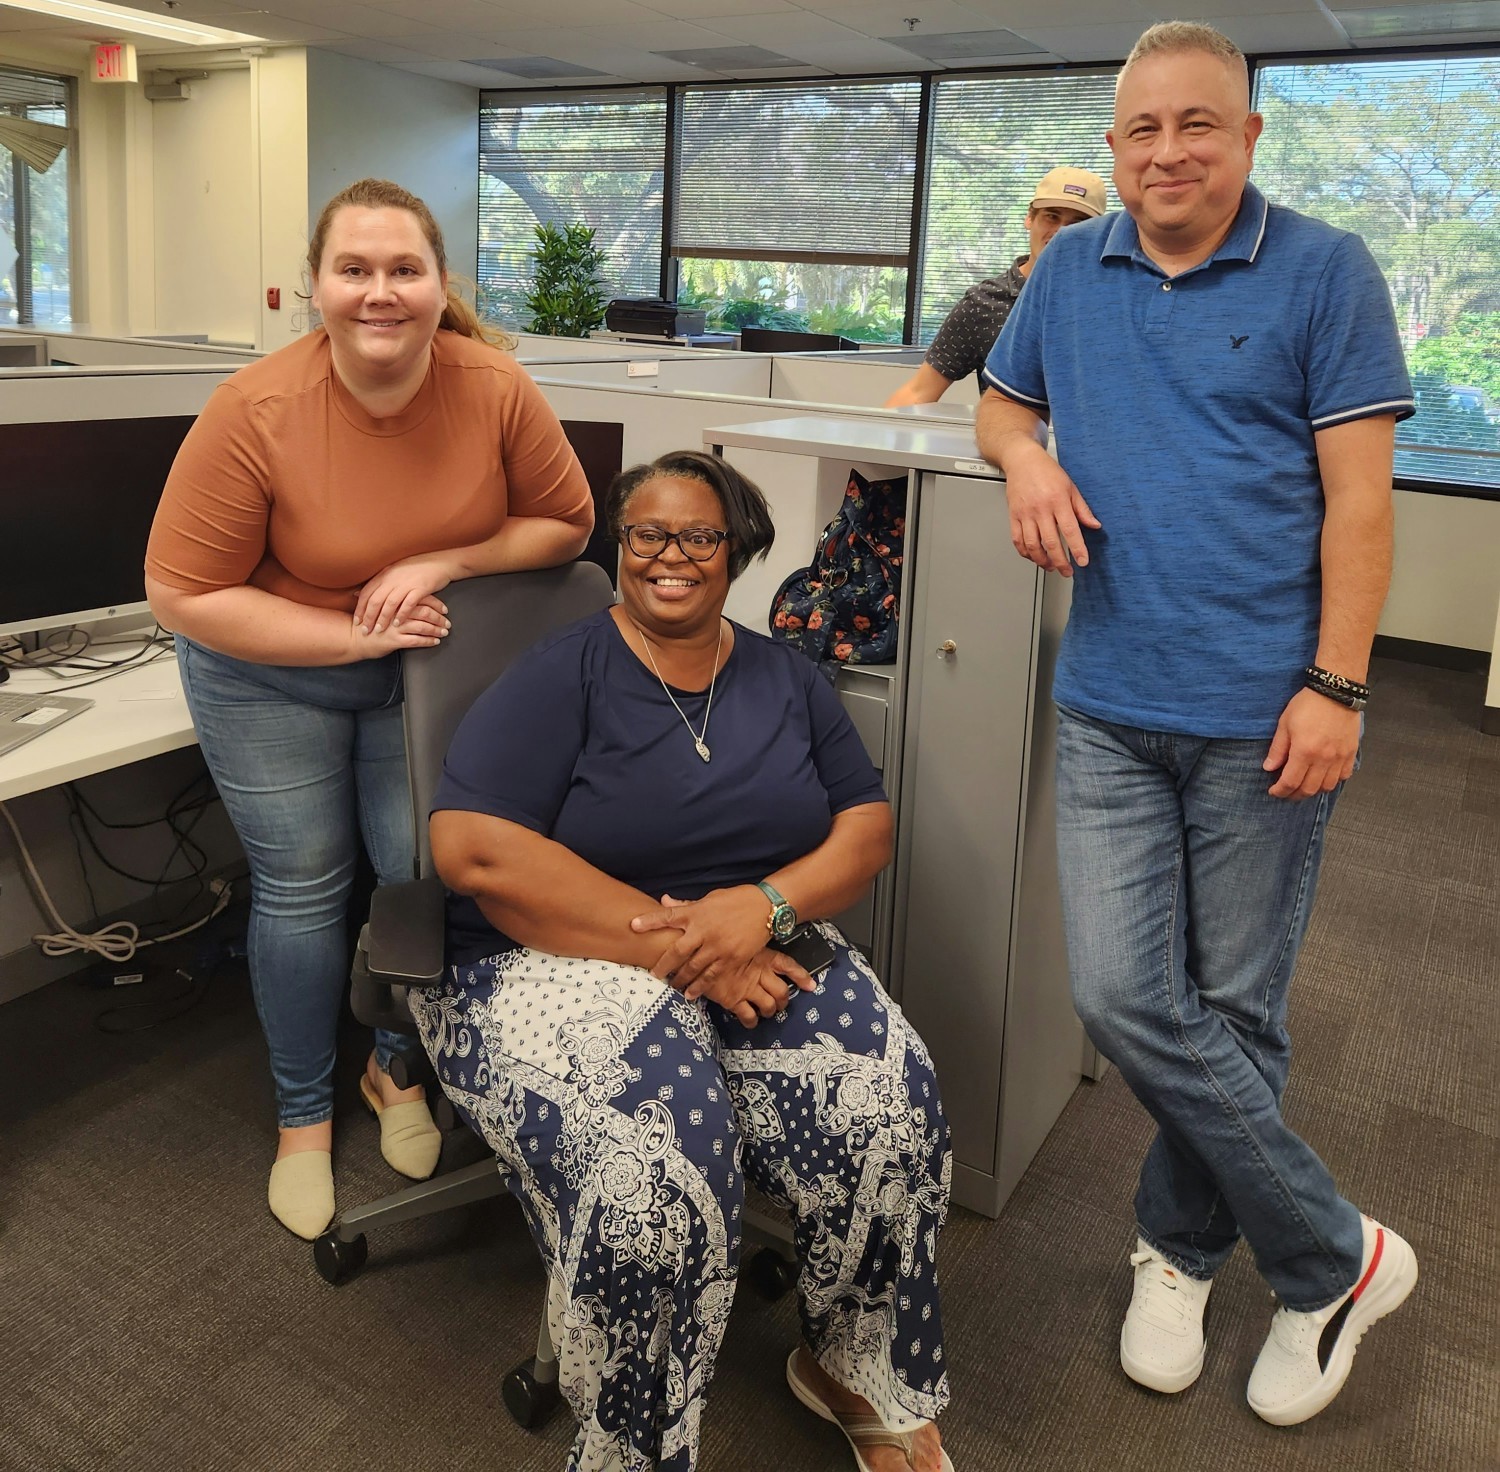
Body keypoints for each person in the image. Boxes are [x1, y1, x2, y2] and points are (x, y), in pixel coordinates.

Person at [975, 22, 1419, 1428]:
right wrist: (1025, 458)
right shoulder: (1068, 268)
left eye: (1198, 125)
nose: (1167, 152)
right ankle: (1336, 1254)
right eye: (1141, 130)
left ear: (1248, 136)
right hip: (1110, 702)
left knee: (1234, 1010)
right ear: (1114, 147)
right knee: (1122, 997)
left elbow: (1360, 499)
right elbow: (997, 403)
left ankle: (1180, 1252)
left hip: (1265, 714)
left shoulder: (1326, 271)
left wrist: (1339, 684)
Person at [411, 450, 953, 1472]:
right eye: (645, 534)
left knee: (889, 1100)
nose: (668, 555)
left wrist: (763, 905)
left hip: (757, 934)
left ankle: (852, 1361)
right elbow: (471, 848)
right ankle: (634, 1449)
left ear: (737, 550)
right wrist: (691, 950)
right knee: (650, 1183)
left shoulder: (788, 675)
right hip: (557, 956)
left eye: (697, 535)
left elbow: (865, 829)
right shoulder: (562, 672)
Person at [144, 178, 595, 1241]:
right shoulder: (258, 408)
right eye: (355, 269)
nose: (379, 292)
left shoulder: (492, 386)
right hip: (269, 671)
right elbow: (184, 593)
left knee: (418, 872)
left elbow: (564, 522)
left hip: (422, 675)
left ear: (442, 286)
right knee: (303, 888)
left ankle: (395, 1071)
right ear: (314, 288)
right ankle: (302, 1113)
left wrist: (440, 559)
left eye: (405, 269)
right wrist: (356, 633)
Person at [884, 167, 1106, 408]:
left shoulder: (1112, 302)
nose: (1061, 233)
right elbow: (919, 391)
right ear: (1029, 218)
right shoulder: (983, 303)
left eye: (1078, 224)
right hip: (1007, 440)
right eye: (1051, 216)